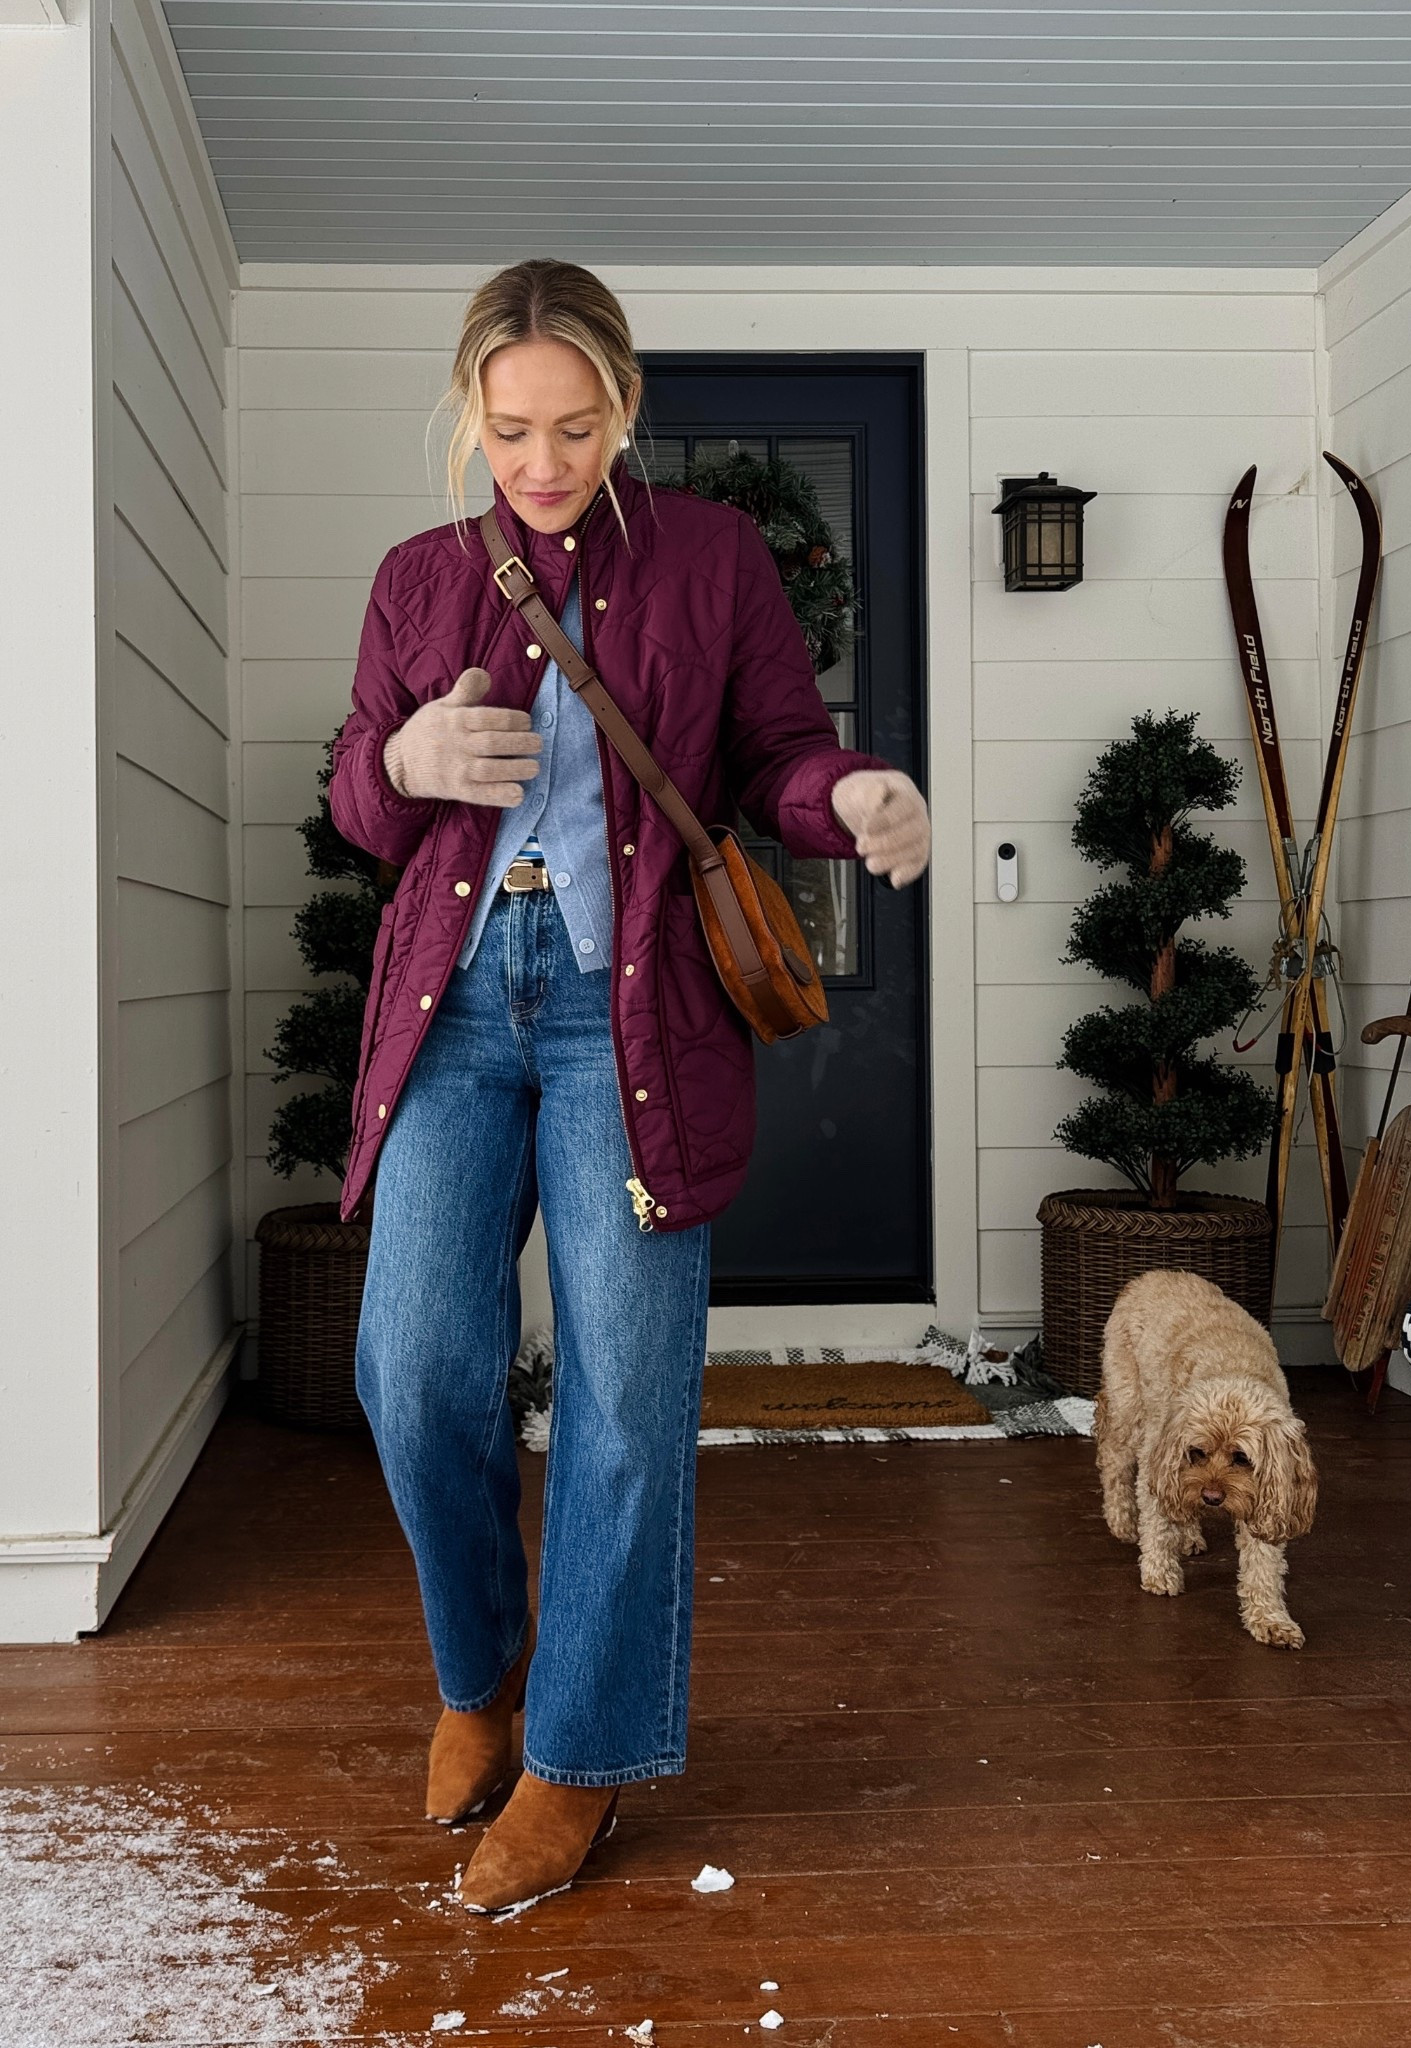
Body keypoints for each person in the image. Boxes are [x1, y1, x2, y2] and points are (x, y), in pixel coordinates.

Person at [327, 259, 931, 1915]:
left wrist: (855, 793)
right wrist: (403, 763)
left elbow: (777, 757)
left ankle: (581, 1760)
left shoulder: (713, 561)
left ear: (624, 410)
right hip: (452, 1015)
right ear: (471, 416)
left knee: (625, 1401)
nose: (542, 460)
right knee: (414, 1370)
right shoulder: (419, 578)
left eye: (575, 427)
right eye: (512, 429)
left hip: (629, 1018)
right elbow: (359, 800)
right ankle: (480, 1679)